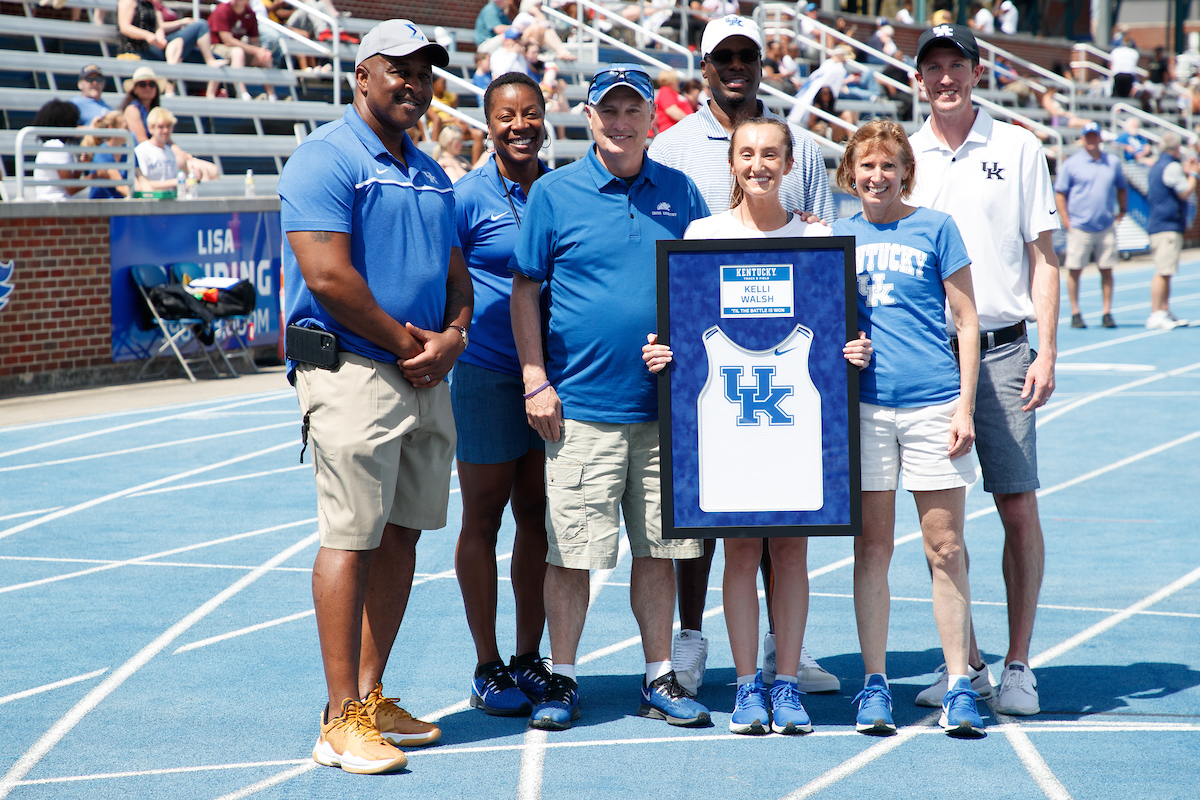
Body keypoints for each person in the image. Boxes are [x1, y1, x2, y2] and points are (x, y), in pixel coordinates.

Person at [278, 20, 470, 774]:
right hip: (356, 370)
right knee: (350, 537)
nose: (415, 83)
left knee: (403, 535)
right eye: (400, 69)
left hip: (421, 370)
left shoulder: (430, 171)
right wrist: (409, 344)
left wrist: (452, 336)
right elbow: (328, 276)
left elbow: (460, 277)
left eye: (425, 72)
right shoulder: (326, 157)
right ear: (362, 75)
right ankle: (337, 720)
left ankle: (370, 691)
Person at [643, 117, 871, 736]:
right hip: (731, 428)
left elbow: (840, 331)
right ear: (733, 162)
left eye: (771, 153)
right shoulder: (702, 234)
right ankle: (747, 686)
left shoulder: (819, 238)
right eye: (747, 153)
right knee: (740, 552)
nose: (759, 164)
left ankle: (787, 682)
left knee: (791, 554)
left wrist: (855, 351)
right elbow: (682, 328)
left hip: (794, 426)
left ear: (791, 162)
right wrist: (663, 356)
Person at [510, 63, 711, 732]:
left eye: (633, 111)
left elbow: (709, 286)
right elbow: (525, 290)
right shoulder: (554, 193)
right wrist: (535, 378)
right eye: (609, 111)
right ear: (589, 118)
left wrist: (687, 345)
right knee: (571, 553)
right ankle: (561, 677)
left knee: (658, 552)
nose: (621, 122)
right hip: (581, 408)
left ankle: (659, 676)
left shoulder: (682, 193)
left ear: (652, 118)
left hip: (663, 411)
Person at [648, 15, 839, 698]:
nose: (735, 65)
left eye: (747, 55)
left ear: (764, 63)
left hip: (783, 363)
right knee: (710, 521)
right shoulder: (669, 148)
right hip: (713, 365)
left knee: (785, 525)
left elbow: (824, 267)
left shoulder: (805, 148)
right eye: (722, 56)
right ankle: (697, 640)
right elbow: (673, 265)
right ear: (702, 65)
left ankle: (780, 653)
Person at [907, 23, 1059, 717]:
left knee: (1017, 507)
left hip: (1001, 350)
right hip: (927, 355)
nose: (945, 78)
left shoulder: (1018, 146)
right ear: (917, 78)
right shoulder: (904, 156)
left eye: (956, 66)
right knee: (943, 523)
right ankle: (962, 662)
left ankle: (1019, 664)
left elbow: (1044, 256)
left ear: (978, 71)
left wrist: (1048, 349)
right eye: (932, 67)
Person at [832, 119, 985, 739]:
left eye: (889, 166)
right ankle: (874, 685)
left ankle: (958, 685)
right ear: (850, 174)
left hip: (932, 405)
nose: (877, 176)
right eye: (866, 166)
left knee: (944, 549)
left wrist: (965, 406)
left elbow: (968, 321)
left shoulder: (936, 228)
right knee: (872, 549)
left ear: (905, 172)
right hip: (865, 411)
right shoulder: (837, 237)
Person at [450, 72, 554, 718]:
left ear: (547, 118)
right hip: (488, 378)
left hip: (550, 379)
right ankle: (487, 665)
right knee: (484, 520)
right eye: (506, 115)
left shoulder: (563, 188)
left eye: (531, 113)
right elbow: (443, 283)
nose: (519, 125)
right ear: (487, 124)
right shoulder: (466, 197)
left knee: (538, 519)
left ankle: (527, 657)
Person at [1055, 121, 1128, 329]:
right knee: (1075, 269)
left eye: (1094, 136)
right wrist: (1066, 221)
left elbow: (1122, 187)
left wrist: (1122, 210)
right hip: (1079, 225)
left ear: (1100, 138)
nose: (1091, 140)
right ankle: (1076, 312)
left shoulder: (1112, 162)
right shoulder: (1072, 163)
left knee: (1106, 269)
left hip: (1105, 224)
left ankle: (1106, 312)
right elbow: (1060, 193)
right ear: (1083, 138)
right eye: (1088, 136)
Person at [1145, 132, 1197, 330]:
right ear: (1176, 148)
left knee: (1166, 270)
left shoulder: (1158, 165)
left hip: (1160, 223)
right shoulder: (1172, 166)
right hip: (1166, 225)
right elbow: (1185, 191)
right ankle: (1156, 312)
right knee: (1163, 271)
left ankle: (1163, 310)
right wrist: (1193, 175)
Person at [117, 0, 223, 79]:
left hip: (154, 49)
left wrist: (160, 39)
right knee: (200, 25)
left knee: (217, 57)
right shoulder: (129, 1)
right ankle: (209, 61)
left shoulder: (151, 5)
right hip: (136, 51)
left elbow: (159, 28)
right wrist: (147, 35)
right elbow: (124, 27)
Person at [208, 0, 277, 101]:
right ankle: (242, 93)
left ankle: (272, 96)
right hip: (215, 48)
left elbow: (254, 40)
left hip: (235, 50)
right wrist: (255, 50)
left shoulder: (249, 13)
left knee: (265, 58)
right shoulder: (222, 10)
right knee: (238, 52)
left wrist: (261, 52)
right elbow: (228, 41)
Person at [31, 100, 83, 201]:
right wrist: (96, 176)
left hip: (57, 205)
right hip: (56, 206)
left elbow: (71, 184)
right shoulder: (56, 147)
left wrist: (81, 166)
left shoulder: (51, 146)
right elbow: (71, 188)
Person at [84, 111, 134, 199]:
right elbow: (120, 187)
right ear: (112, 129)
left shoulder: (128, 152)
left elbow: (139, 180)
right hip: (103, 209)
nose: (129, 131)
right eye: (126, 128)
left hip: (122, 207)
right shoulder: (102, 154)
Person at [654, 68, 692, 134]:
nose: (678, 82)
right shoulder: (665, 91)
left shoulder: (673, 93)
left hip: (679, 131)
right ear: (671, 80)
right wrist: (690, 122)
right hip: (672, 132)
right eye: (677, 79)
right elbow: (671, 110)